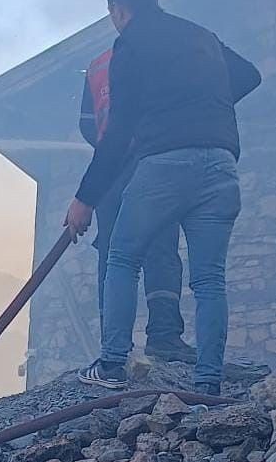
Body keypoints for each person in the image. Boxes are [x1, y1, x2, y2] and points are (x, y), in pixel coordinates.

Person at [64, 0, 261, 395]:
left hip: (165, 166)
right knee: (209, 278)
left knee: (122, 256)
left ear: (116, 8)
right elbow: (249, 75)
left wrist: (85, 199)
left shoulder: (129, 46)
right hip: (221, 166)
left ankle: (112, 365)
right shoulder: (199, 36)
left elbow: (115, 135)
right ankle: (208, 383)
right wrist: (201, 105)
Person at [79, 47, 195, 364]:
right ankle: (164, 336)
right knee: (160, 242)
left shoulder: (96, 64)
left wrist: (110, 149)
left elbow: (87, 124)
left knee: (112, 253)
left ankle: (114, 342)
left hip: (109, 172)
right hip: (152, 165)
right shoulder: (159, 55)